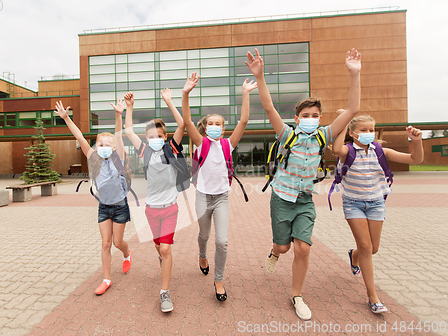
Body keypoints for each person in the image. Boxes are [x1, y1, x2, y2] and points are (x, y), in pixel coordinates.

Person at [245, 48, 362, 320]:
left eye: (316, 115)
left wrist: (354, 74)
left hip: (305, 201)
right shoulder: (287, 134)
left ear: (320, 118)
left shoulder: (323, 136)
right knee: (283, 247)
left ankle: (297, 295)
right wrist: (260, 76)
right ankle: (275, 252)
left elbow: (353, 109)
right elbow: (268, 107)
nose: (312, 119)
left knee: (303, 248)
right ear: (297, 118)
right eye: (306, 115)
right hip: (281, 200)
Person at [331, 111, 424, 313]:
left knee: (372, 249)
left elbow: (415, 159)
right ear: (353, 133)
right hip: (353, 203)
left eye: (371, 130)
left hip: (376, 203)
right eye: (363, 130)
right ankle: (373, 297)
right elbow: (336, 149)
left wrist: (416, 141)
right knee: (366, 247)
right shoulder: (347, 150)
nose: (369, 133)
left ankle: (353, 255)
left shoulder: (380, 151)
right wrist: (344, 121)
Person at [182, 72, 258, 301]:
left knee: (222, 241)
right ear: (205, 128)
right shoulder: (200, 142)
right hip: (203, 197)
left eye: (219, 124)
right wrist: (186, 94)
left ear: (223, 129)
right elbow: (187, 121)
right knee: (204, 235)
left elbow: (243, 121)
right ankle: (202, 254)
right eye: (211, 124)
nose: (214, 126)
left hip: (222, 197)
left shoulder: (228, 144)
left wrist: (245, 94)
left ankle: (219, 279)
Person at [54, 99, 132, 296]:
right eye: (100, 144)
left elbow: (118, 135)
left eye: (107, 145)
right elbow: (79, 135)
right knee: (105, 243)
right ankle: (106, 279)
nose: (102, 147)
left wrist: (118, 114)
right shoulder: (93, 158)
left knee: (117, 243)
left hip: (120, 206)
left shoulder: (119, 157)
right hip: (104, 207)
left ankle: (127, 253)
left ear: (113, 148)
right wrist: (66, 119)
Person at [124, 89, 187, 313]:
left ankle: (164, 293)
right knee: (159, 247)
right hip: (151, 211)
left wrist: (169, 102)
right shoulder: (145, 152)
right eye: (150, 137)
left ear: (165, 137)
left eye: (159, 136)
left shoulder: (171, 149)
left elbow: (182, 125)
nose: (155, 140)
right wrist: (130, 108)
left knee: (167, 249)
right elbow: (129, 130)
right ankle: (162, 257)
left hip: (170, 209)